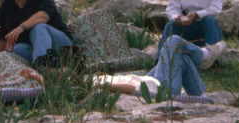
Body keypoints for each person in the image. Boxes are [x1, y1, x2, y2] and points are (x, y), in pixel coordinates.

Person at [24, 35, 227, 98]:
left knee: (180, 57)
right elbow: (131, 89)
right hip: (159, 89)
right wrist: (103, 85)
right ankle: (204, 56)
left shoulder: (85, 82)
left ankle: (199, 94)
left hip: (149, 80)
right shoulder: (91, 86)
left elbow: (56, 90)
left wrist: (37, 78)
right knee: (173, 42)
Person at [0, 0, 73, 69]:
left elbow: (43, 16)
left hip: (61, 45)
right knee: (17, 49)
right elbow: (3, 34)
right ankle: (53, 65)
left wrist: (21, 27)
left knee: (38, 27)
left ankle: (41, 67)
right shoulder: (7, 3)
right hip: (34, 46)